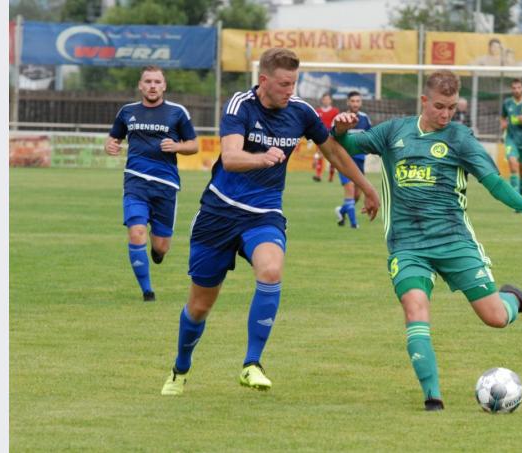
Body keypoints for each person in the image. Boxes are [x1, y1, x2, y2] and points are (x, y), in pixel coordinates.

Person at [332, 70, 522, 411]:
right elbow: (346, 144)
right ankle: (432, 397)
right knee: (415, 307)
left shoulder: (460, 138)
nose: (445, 114)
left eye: (452, 107)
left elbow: (494, 183)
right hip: (407, 245)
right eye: (439, 106)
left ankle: (513, 298)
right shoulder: (394, 131)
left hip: (454, 242)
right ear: (424, 101)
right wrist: (340, 127)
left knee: (495, 318)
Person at [160, 48, 381, 396]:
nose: (290, 89)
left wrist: (367, 187)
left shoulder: (301, 112)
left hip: (263, 214)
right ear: (264, 80)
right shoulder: (240, 105)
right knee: (199, 307)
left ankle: (252, 363)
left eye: (294, 82)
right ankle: (181, 367)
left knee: (271, 270)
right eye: (283, 83)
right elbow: (231, 158)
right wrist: (262, 159)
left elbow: (334, 151)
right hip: (218, 214)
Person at [105, 65, 198, 302]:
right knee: (136, 233)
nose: (153, 86)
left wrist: (177, 146)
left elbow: (193, 145)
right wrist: (110, 146)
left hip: (165, 187)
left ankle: (157, 253)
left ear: (164, 86)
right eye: (148, 81)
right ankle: (147, 291)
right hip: (135, 183)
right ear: (140, 85)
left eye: (157, 82)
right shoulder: (127, 112)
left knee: (161, 246)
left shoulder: (177, 112)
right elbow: (113, 138)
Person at [334, 91, 372, 229]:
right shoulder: (341, 119)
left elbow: (370, 137)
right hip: (344, 161)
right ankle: (354, 224)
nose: (355, 103)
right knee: (349, 190)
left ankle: (341, 210)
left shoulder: (365, 118)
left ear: (360, 103)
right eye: (353, 101)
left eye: (358, 101)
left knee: (357, 195)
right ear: (348, 102)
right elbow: (332, 139)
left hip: (359, 160)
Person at [313, 92, 339, 182]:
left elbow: (337, 124)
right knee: (319, 155)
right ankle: (318, 175)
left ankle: (331, 175)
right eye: (324, 99)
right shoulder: (317, 111)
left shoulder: (335, 111)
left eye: (328, 99)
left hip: (331, 137)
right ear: (322, 100)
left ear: (330, 101)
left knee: (332, 157)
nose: (326, 101)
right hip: (320, 136)